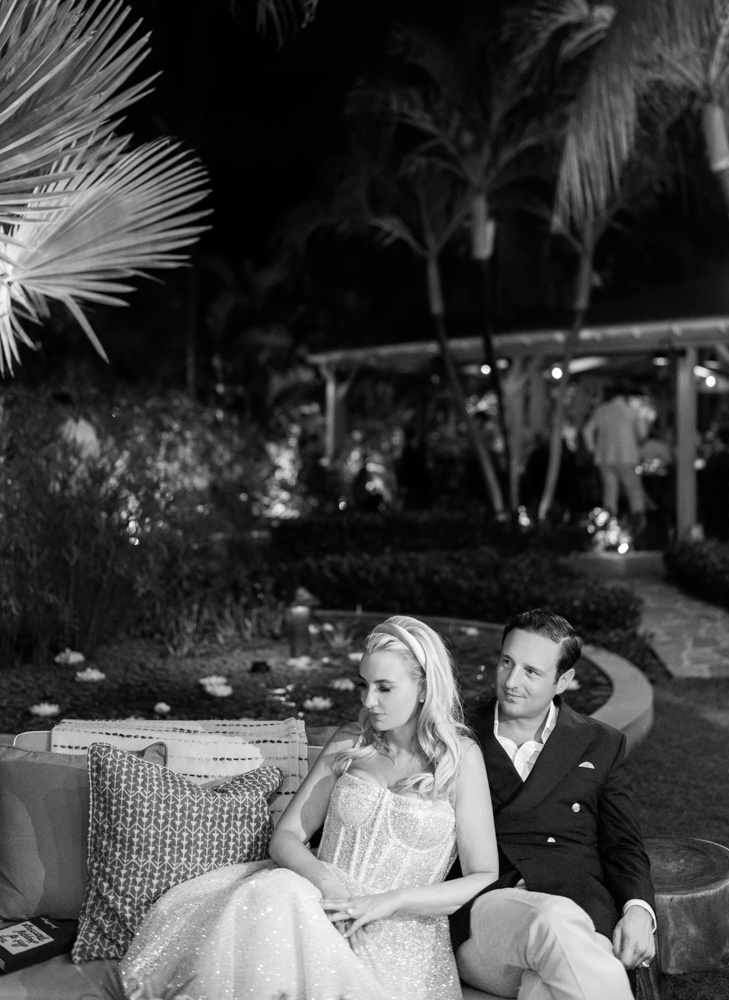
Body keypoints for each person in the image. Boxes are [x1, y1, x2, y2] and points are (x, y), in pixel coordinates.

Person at [119, 615, 499, 1000]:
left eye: (384, 688)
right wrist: (328, 886)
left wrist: (394, 900)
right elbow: (286, 836)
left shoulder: (459, 758)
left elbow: (483, 874)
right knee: (275, 893)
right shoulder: (351, 741)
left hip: (400, 937)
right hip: (316, 901)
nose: (368, 701)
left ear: (424, 688)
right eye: (364, 685)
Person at [452, 608, 656, 1000]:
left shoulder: (600, 742)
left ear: (563, 680)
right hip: (484, 918)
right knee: (551, 922)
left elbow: (623, 844)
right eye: (507, 662)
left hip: (582, 910)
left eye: (531, 671)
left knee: (550, 984)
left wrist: (638, 909)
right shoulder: (454, 730)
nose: (512, 681)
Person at [582, 383, 648, 534]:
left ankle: (609, 527)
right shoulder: (631, 411)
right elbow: (643, 434)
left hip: (605, 457)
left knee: (609, 491)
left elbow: (587, 431)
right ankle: (638, 526)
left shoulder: (602, 410)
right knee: (634, 491)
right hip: (627, 457)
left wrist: (593, 450)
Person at [700, 427, 729, 541]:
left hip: (714, 498)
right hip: (726, 496)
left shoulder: (716, 459)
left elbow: (708, 477)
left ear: (719, 440)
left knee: (715, 526)